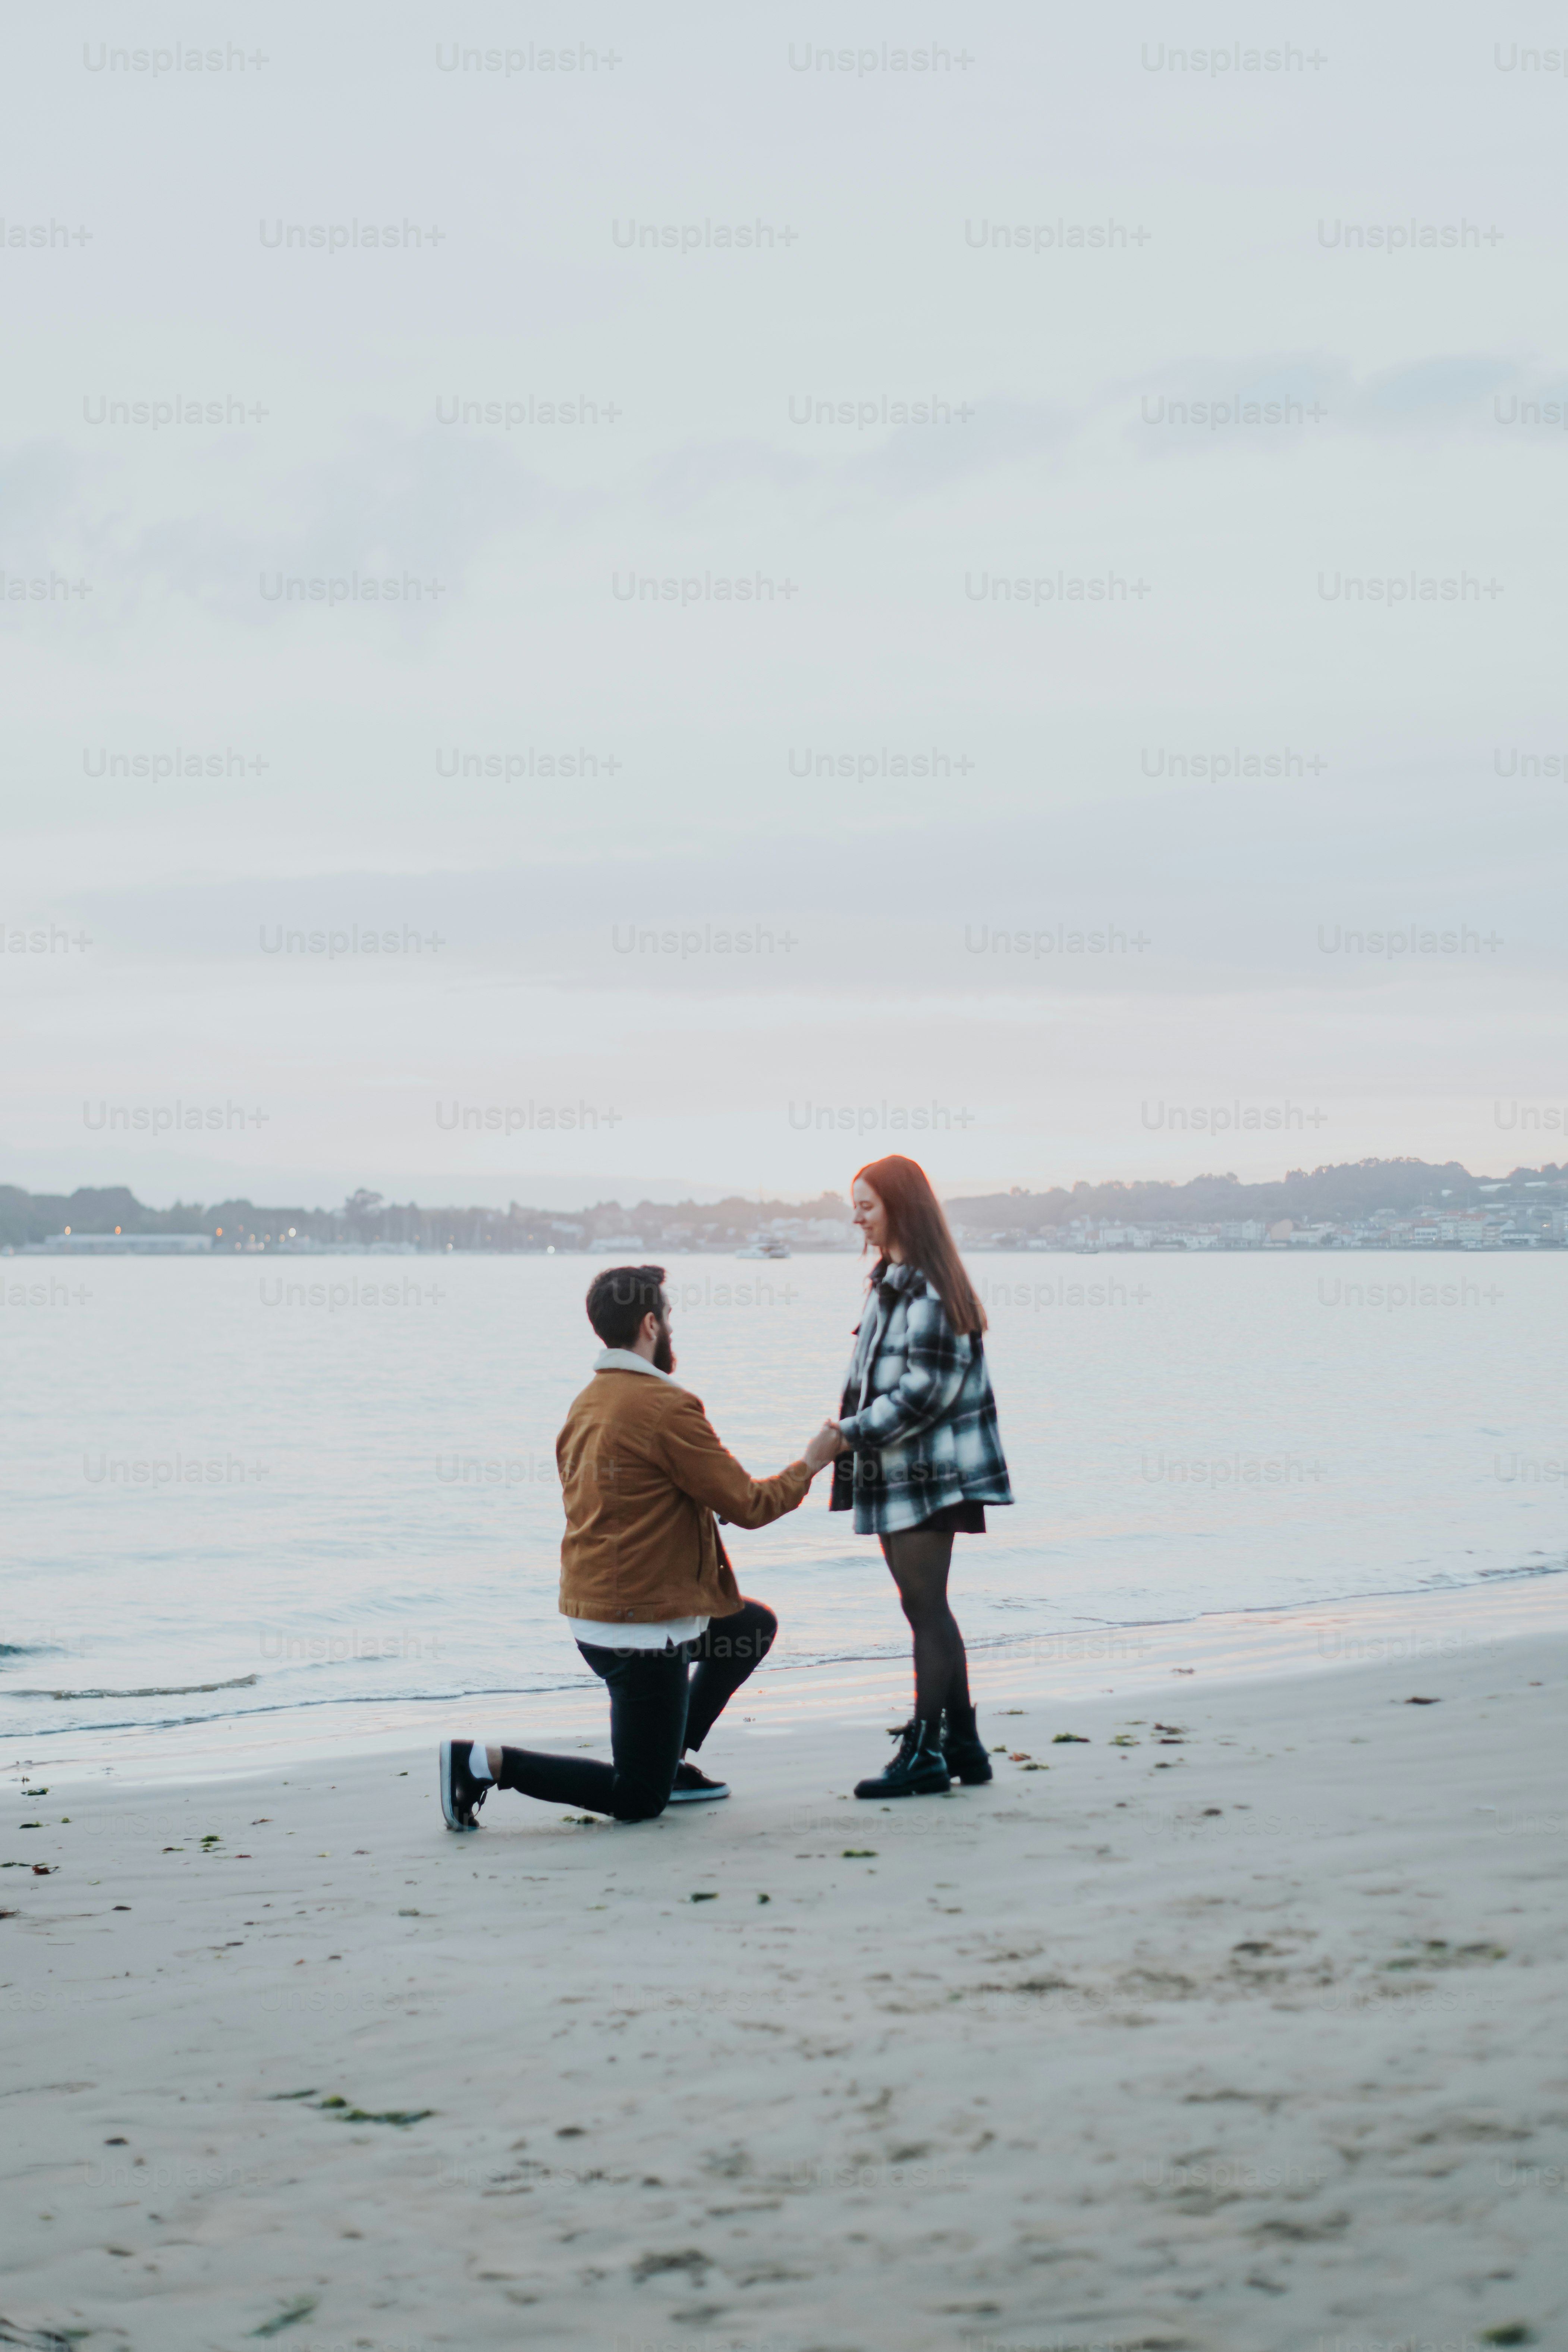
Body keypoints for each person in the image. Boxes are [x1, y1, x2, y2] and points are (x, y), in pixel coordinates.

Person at [440, 1264, 841, 1831]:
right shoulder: (665, 1407)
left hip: (595, 1613)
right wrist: (813, 1461)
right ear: (651, 1323)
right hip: (642, 1633)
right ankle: (482, 1763)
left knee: (747, 1627)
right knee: (637, 1799)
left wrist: (690, 1516)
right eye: (669, 1318)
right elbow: (750, 1507)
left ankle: (670, 1755)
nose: (671, 1330)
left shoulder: (587, 1401)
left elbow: (620, 1501)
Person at [830, 1156, 1013, 1798]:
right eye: (854, 1205)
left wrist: (843, 1436)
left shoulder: (929, 1286)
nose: (856, 1217)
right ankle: (962, 1745)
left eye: (867, 1205)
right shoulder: (894, 1278)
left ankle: (924, 1752)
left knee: (926, 1609)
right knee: (923, 1608)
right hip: (901, 1471)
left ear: (900, 1208)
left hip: (930, 1473)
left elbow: (922, 1395)